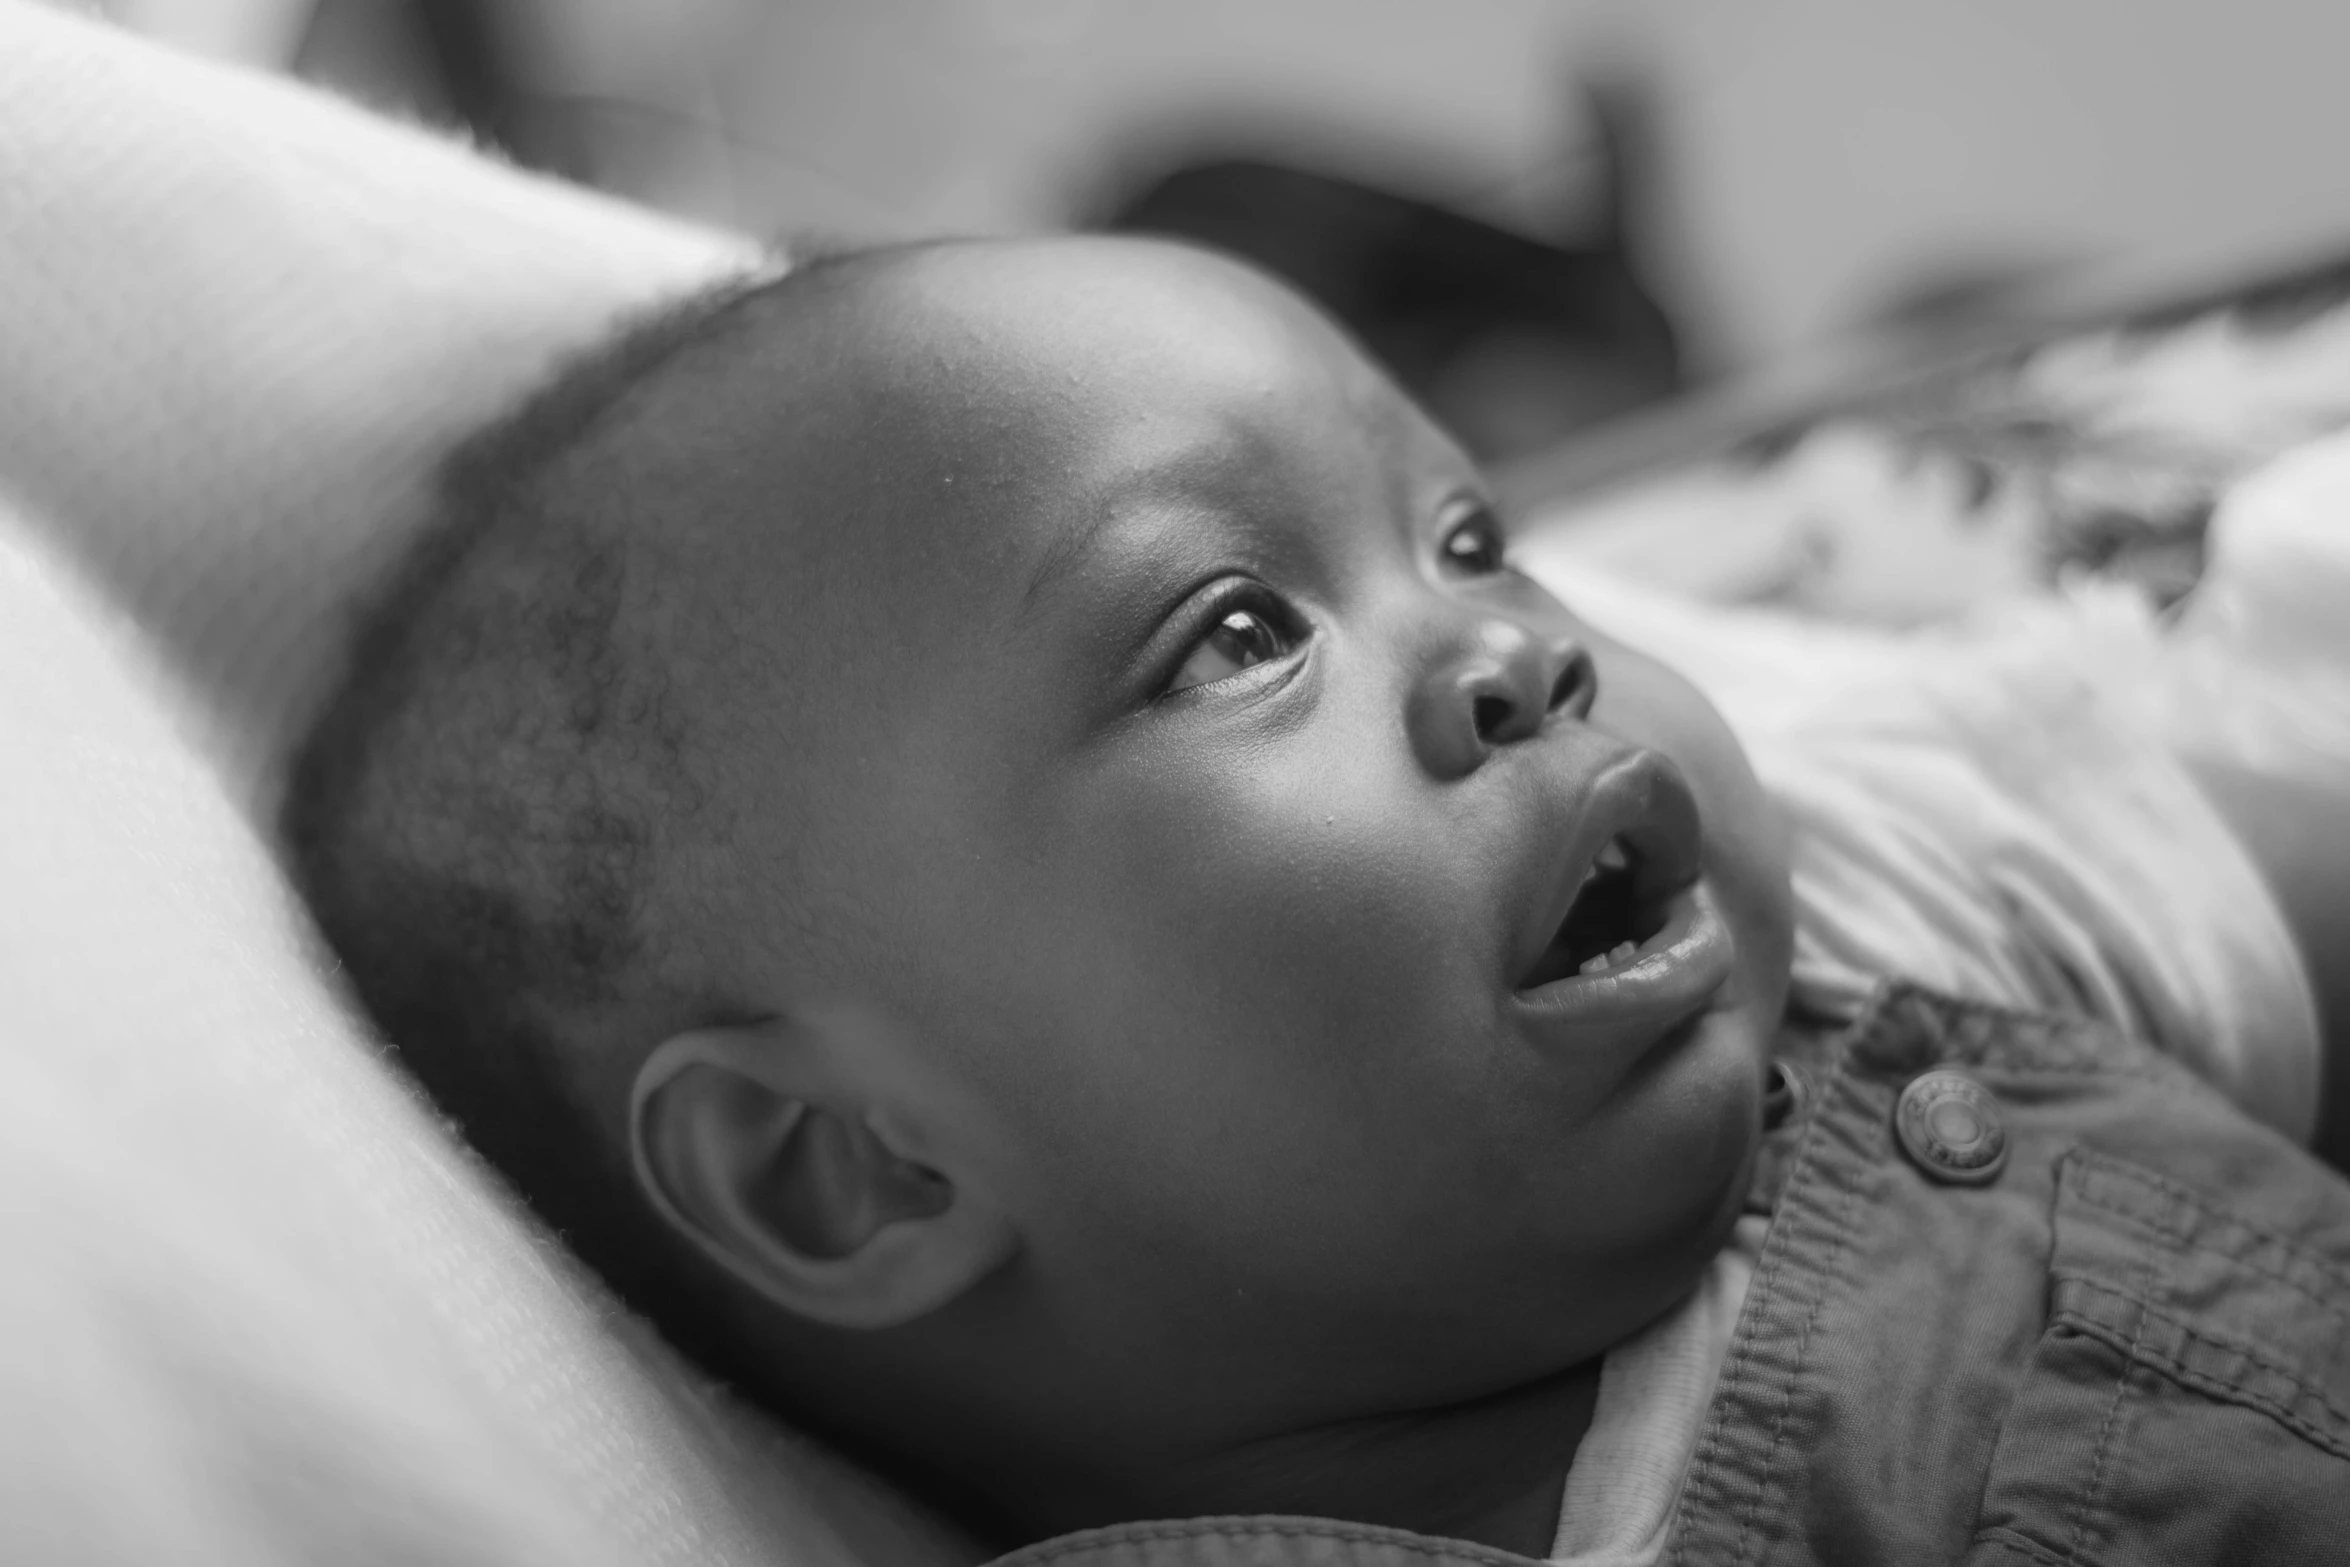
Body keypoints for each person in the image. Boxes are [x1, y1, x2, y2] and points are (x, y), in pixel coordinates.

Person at [282, 235, 2350, 1565]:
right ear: (852, 1173)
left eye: (1467, 535)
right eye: (1235, 631)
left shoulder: (1901, 959)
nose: (1516, 652)